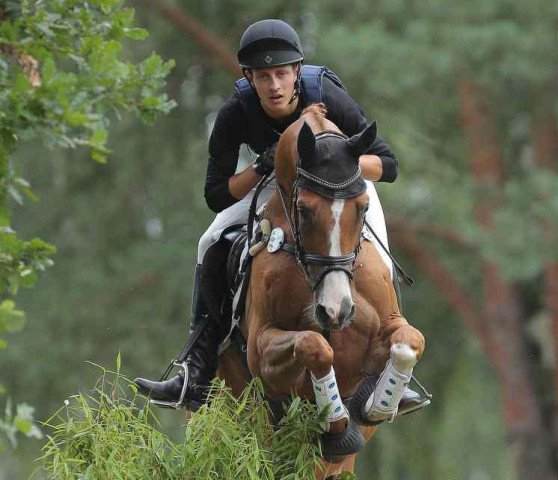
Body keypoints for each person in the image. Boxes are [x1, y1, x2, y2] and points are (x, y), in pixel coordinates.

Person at [135, 19, 427, 414]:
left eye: (281, 74)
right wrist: (260, 168)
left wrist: (347, 162)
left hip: (340, 182)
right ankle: (196, 365)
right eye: (263, 77)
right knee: (210, 240)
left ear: (296, 73)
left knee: (369, 235)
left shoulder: (326, 93)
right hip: (275, 182)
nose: (274, 86)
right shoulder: (236, 111)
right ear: (249, 78)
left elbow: (389, 165)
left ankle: (389, 349)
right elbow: (216, 194)